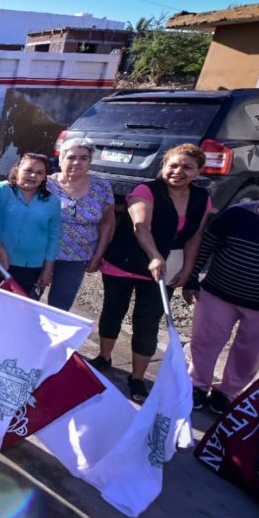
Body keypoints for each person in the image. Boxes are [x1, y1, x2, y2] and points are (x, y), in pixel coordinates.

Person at [94, 144, 212, 402]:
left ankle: (137, 377)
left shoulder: (202, 198)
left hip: (166, 266)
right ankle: (104, 356)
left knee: (147, 321)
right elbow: (141, 227)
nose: (178, 171)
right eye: (173, 165)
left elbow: (195, 237)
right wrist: (154, 256)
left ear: (198, 172)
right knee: (114, 310)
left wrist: (189, 270)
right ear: (164, 166)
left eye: (187, 167)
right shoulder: (145, 190)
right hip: (125, 260)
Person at [183, 178, 259, 413]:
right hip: (219, 294)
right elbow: (207, 246)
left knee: (250, 353)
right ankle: (196, 384)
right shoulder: (238, 214)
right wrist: (192, 278)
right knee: (205, 342)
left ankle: (225, 392)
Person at [45, 138, 115, 311]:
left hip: (76, 257)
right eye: (71, 157)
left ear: (90, 162)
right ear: (61, 159)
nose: (77, 162)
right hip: (40, 252)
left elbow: (108, 223)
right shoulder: (46, 184)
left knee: (60, 308)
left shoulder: (101, 187)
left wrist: (98, 255)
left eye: (83, 158)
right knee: (26, 300)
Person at [0, 153, 61, 297]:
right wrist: (2, 255)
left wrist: (48, 269)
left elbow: (53, 236)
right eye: (28, 170)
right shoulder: (0, 190)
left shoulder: (52, 201)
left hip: (29, 268)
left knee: (14, 313)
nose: (33, 175)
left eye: (39, 172)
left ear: (44, 177)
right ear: (17, 170)